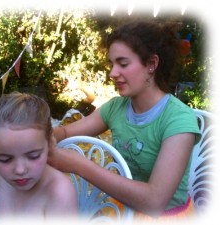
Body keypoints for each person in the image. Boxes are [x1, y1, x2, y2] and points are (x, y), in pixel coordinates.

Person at [49, 20, 201, 219]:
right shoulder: (115, 107)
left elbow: (155, 201)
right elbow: (66, 132)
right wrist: (45, 137)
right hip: (122, 207)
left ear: (151, 64)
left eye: (123, 63)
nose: (112, 73)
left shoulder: (178, 120)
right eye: (112, 64)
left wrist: (78, 165)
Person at [0, 92, 78, 220]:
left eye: (33, 156)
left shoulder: (60, 192)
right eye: (5, 160)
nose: (20, 170)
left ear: (50, 144)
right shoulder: (3, 179)